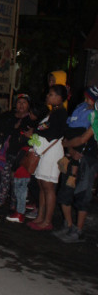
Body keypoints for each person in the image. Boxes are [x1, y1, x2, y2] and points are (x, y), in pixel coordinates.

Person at [26, 84, 68, 231]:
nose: (48, 96)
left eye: (51, 94)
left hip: (52, 152)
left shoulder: (61, 113)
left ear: (59, 97)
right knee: (42, 184)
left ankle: (47, 220)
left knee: (48, 186)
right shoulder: (54, 112)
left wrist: (37, 131)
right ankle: (41, 217)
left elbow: (52, 133)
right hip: (47, 151)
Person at [56, 101, 98, 242]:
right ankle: (69, 226)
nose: (88, 103)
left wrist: (67, 144)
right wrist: (71, 148)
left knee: (82, 194)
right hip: (77, 159)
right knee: (65, 192)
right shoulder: (84, 115)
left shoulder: (94, 120)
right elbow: (73, 136)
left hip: (88, 162)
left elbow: (82, 139)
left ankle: (78, 231)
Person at [0, 94, 37, 217]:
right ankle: (0, 201)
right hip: (7, 153)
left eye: (24, 102)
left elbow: (33, 136)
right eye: (19, 102)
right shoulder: (9, 116)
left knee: (16, 181)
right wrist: (12, 127)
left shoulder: (32, 119)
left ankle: (14, 204)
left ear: (28, 105)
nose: (21, 105)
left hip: (21, 156)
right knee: (4, 178)